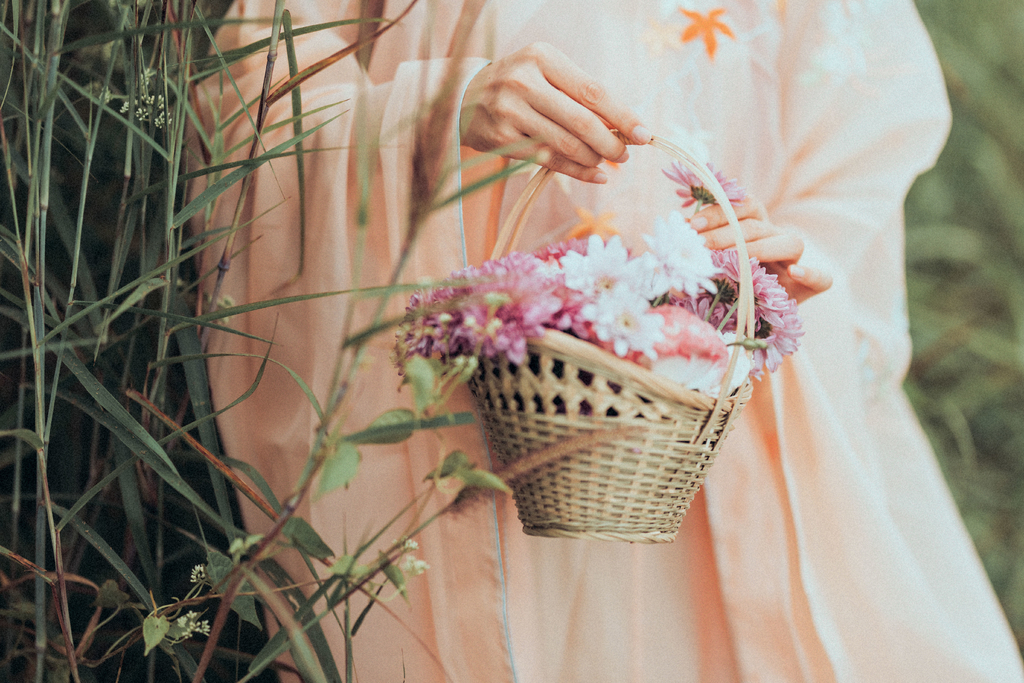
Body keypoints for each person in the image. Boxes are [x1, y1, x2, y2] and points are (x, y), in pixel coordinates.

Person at [200, 1, 1024, 681]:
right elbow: (254, 98)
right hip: (466, 426)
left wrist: (801, 247)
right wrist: (440, 104)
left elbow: (872, 86)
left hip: (719, 429)